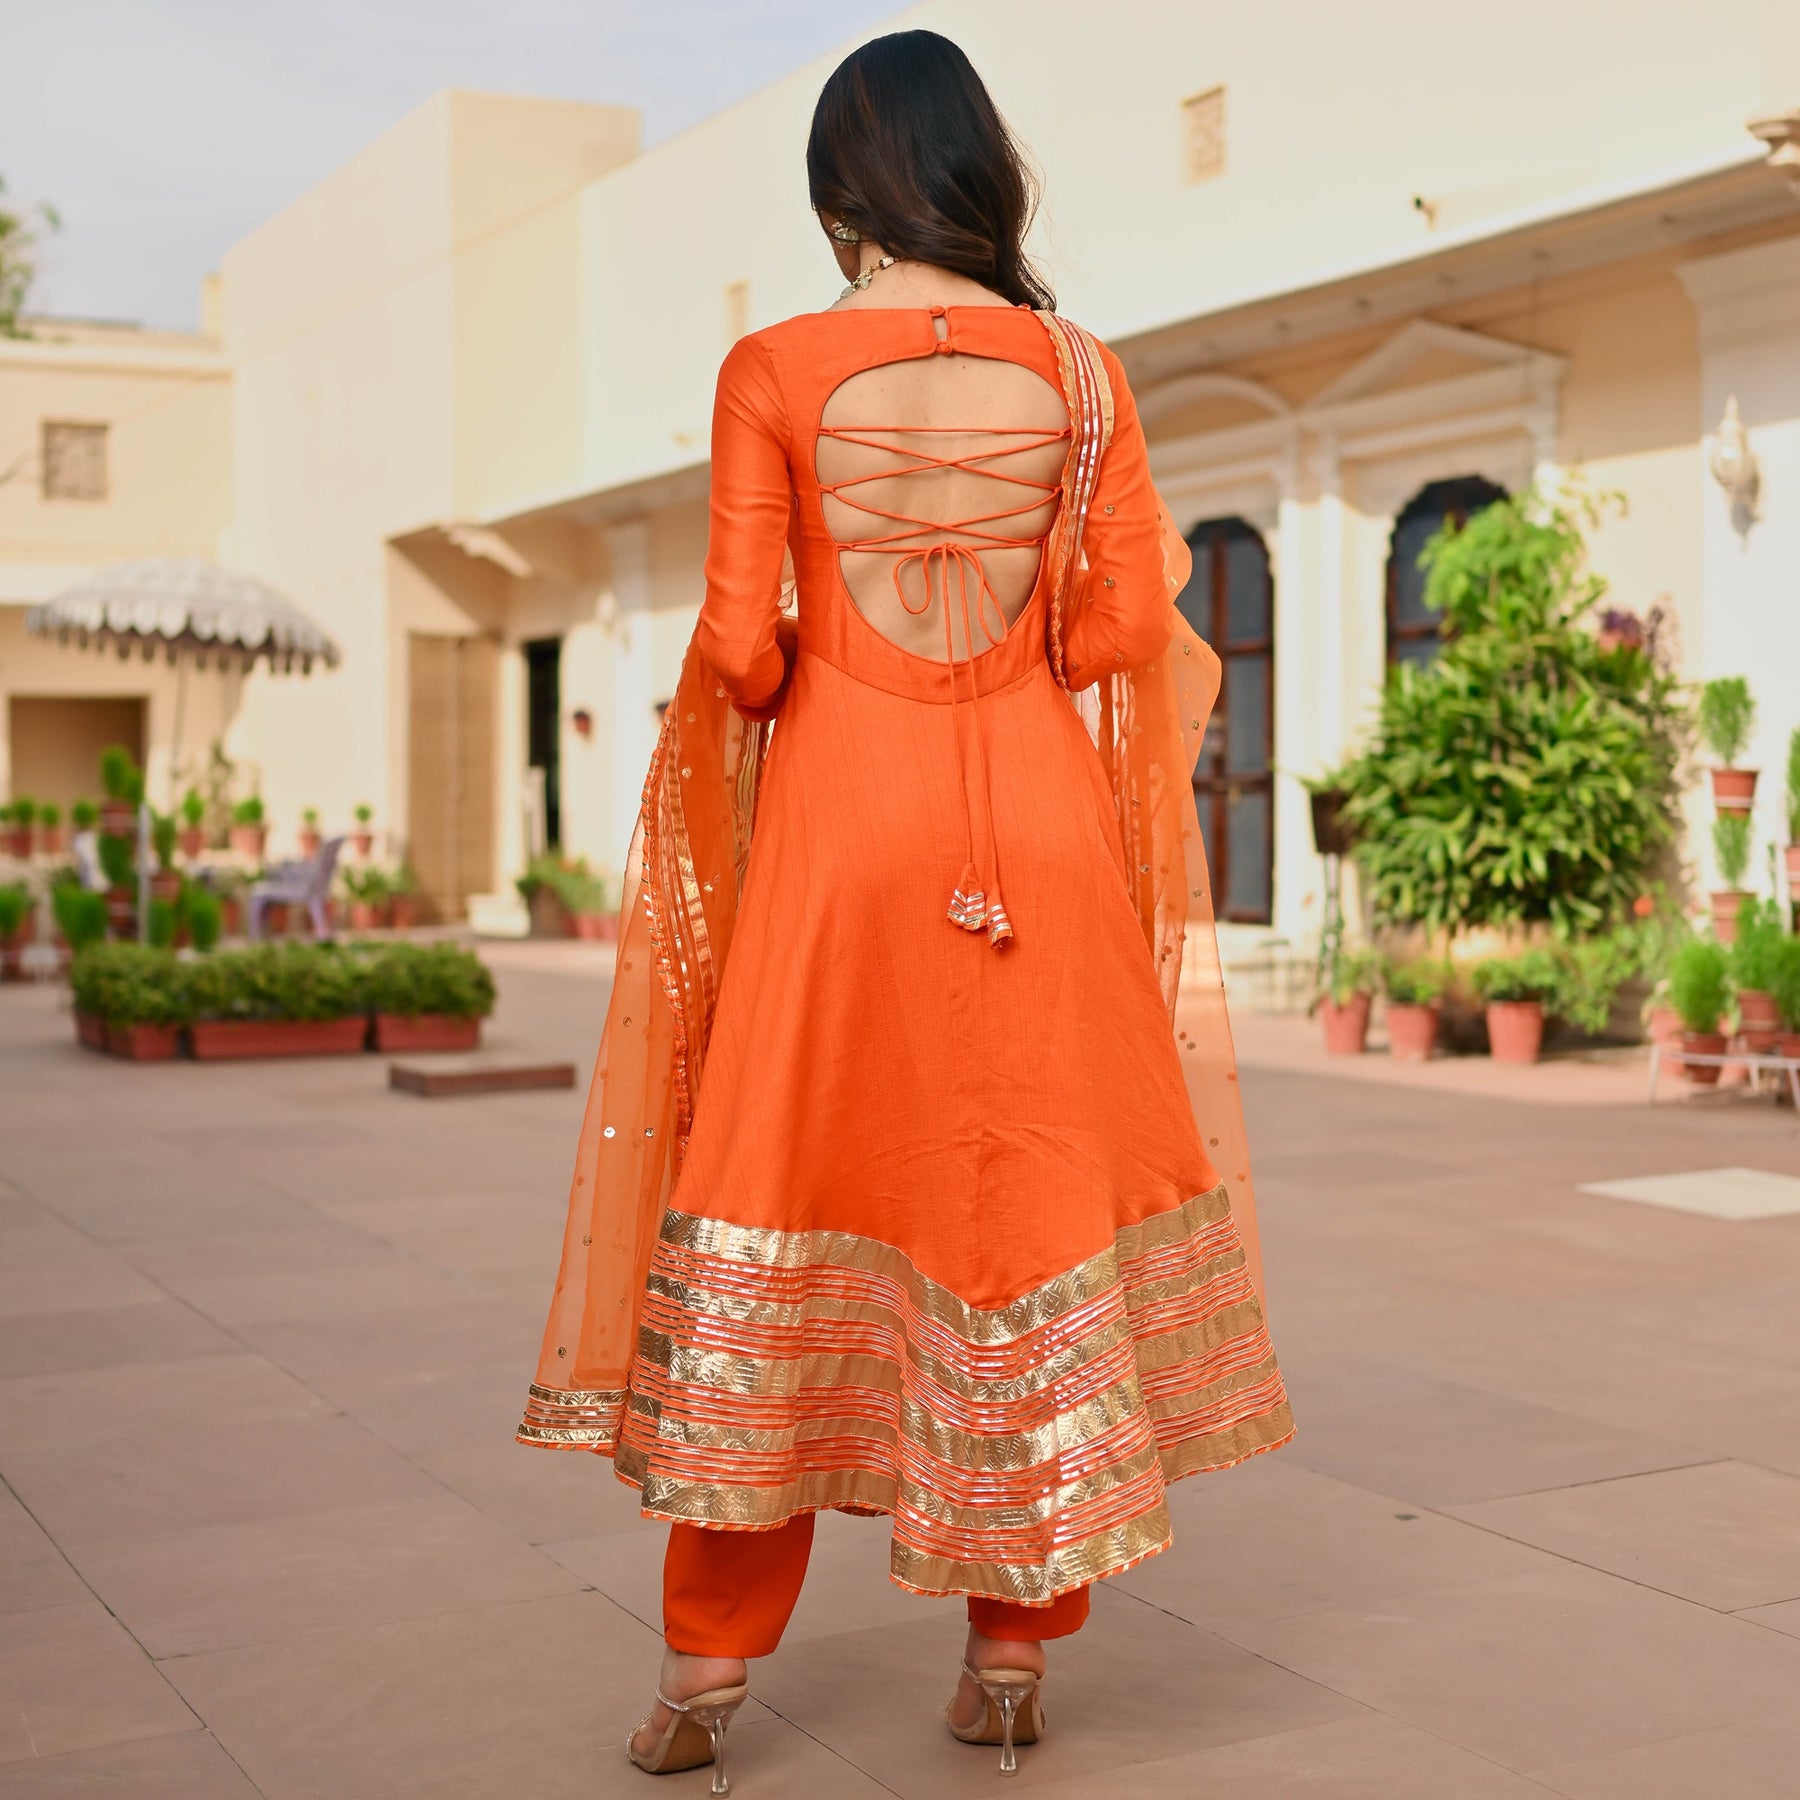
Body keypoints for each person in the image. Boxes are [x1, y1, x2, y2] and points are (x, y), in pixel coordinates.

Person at [518, 28, 1294, 1791]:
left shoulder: (774, 365)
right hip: (1034, 833)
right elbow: (1116, 635)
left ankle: (703, 1685)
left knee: (778, 1184)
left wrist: (818, 663)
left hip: (841, 837)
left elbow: (734, 642)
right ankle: (1012, 1661)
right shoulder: (1083, 372)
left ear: (845, 191)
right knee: (1021, 1208)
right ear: (976, 173)